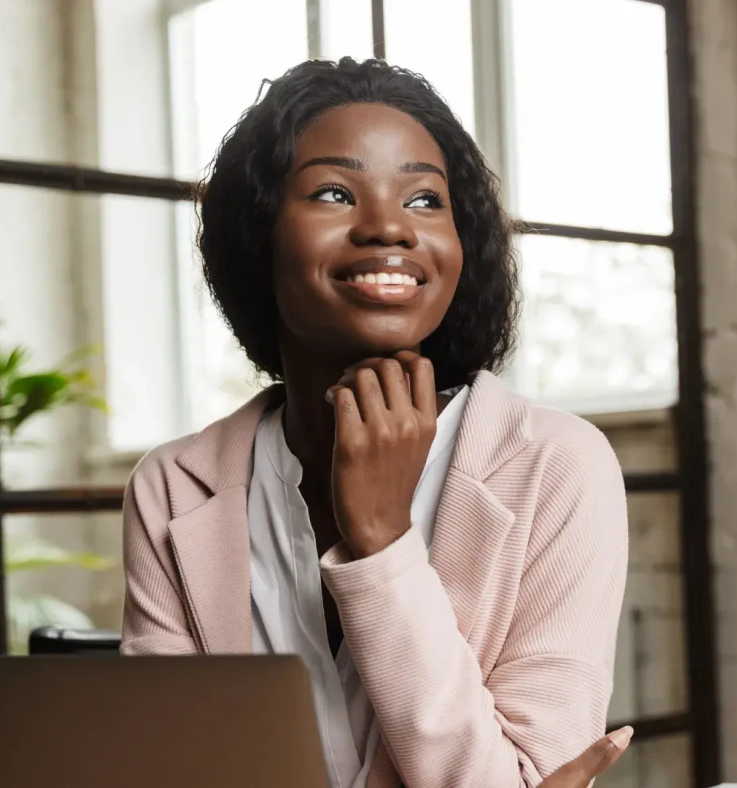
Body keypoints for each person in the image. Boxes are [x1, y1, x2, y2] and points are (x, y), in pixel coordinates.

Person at [120, 57, 630, 788]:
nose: (389, 226)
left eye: (426, 200)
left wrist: (382, 546)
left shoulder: (556, 467)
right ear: (257, 236)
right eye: (333, 192)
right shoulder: (175, 487)